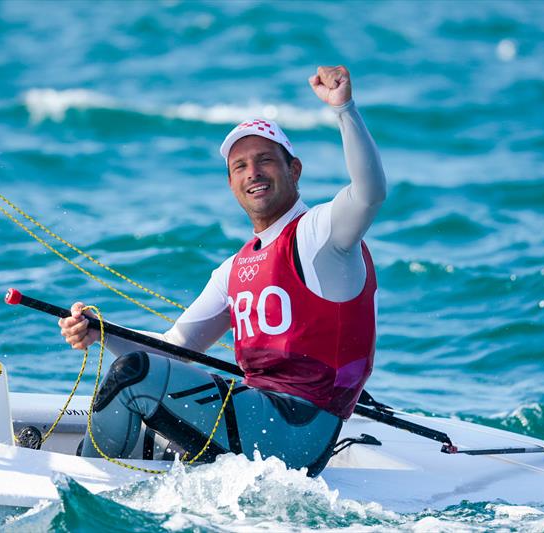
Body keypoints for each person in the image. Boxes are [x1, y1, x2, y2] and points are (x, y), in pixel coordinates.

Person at [58, 65, 386, 476]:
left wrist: (345, 109)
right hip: (258, 419)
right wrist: (100, 333)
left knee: (133, 375)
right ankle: (110, 481)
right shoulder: (235, 269)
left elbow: (369, 194)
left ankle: (86, 491)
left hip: (300, 430)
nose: (253, 173)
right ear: (231, 183)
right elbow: (175, 347)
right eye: (240, 166)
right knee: (138, 373)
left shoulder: (322, 234)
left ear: (294, 170)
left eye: (265, 160)